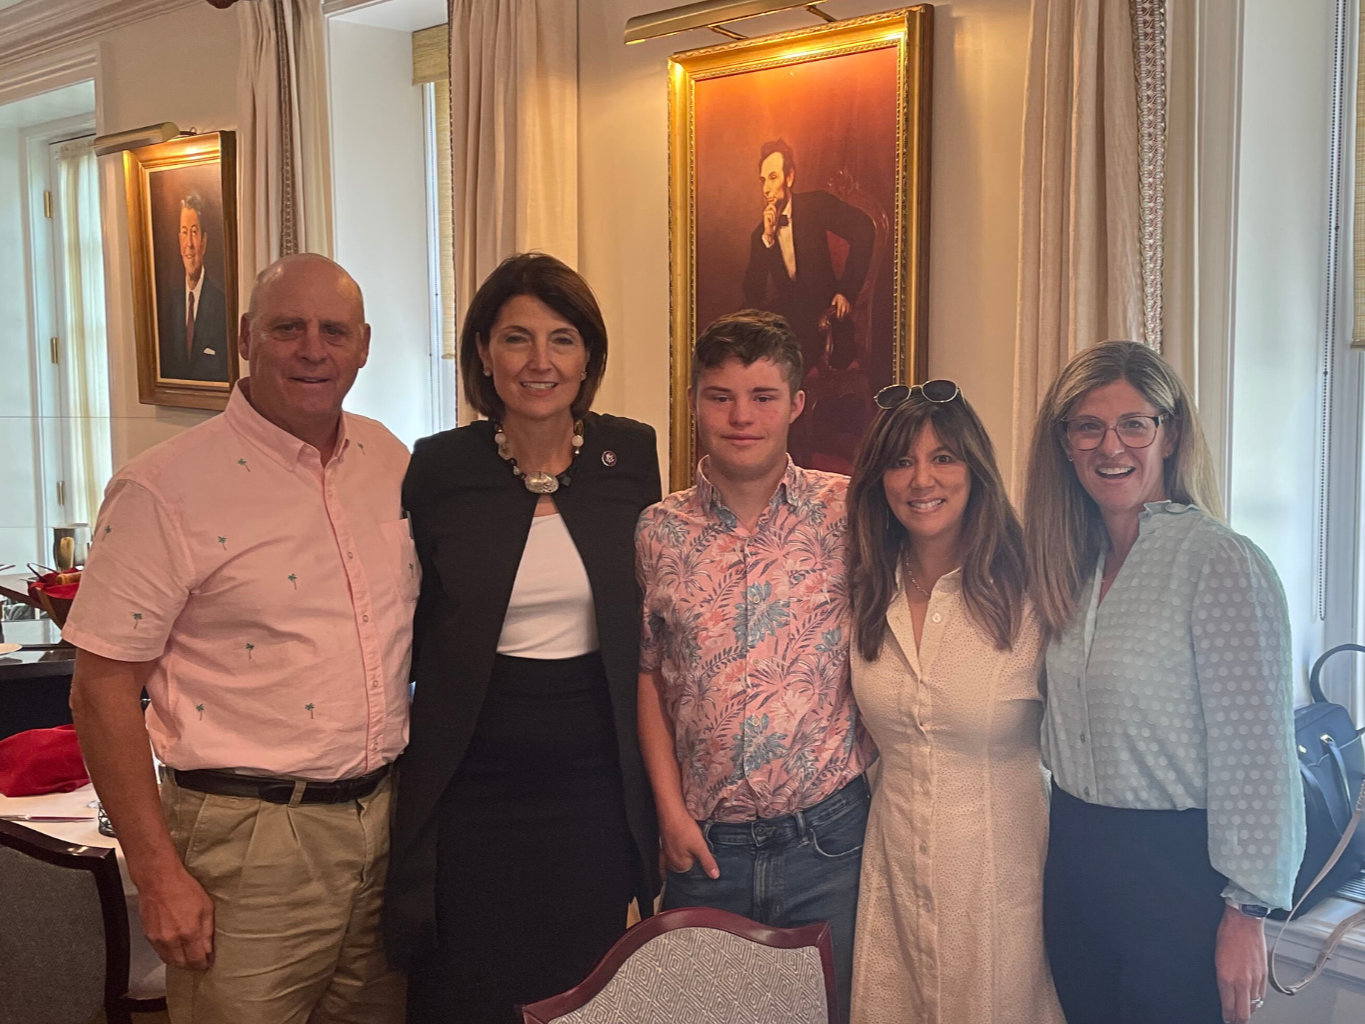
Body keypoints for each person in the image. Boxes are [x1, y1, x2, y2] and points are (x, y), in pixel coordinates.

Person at [66, 253, 412, 1024]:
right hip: (249, 843)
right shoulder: (164, 487)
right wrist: (157, 875)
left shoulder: (389, 460)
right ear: (249, 336)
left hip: (387, 824)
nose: (312, 350)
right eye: (289, 328)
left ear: (364, 345)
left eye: (334, 331)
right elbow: (101, 690)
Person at [385, 253, 661, 1023]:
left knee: (579, 991)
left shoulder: (631, 456)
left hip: (593, 792)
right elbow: (408, 619)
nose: (539, 361)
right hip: (471, 791)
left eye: (561, 339)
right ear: (482, 352)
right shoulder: (437, 468)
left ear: (589, 357)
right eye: (515, 338)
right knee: (466, 990)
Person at [1024, 340, 1305, 1024]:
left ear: (1169, 433)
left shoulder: (1220, 563)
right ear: (1063, 443)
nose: (1109, 445)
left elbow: (1258, 758)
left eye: (1133, 423)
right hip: (1073, 861)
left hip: (1178, 876)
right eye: (1086, 426)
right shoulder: (1067, 563)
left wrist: (1246, 915)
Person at [636, 309, 876, 1022]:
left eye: (763, 397)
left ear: (796, 404)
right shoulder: (657, 529)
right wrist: (668, 810)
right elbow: (649, 675)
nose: (741, 416)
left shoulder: (849, 513)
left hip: (828, 842)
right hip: (704, 847)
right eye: (720, 396)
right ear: (694, 404)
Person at [844, 381, 1064, 1024]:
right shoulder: (863, 587)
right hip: (895, 883)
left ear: (975, 469)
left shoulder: (1032, 593)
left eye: (943, 457)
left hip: (1004, 885)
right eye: (901, 461)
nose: (921, 479)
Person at [741, 140, 875, 376]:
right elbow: (753, 296)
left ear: (789, 177)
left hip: (827, 321)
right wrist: (768, 240)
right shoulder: (760, 235)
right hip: (790, 323)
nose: (766, 188)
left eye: (773, 177)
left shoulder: (816, 205)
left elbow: (864, 229)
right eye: (763, 180)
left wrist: (847, 291)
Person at [159, 193, 229, 383]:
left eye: (194, 232)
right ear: (178, 240)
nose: (189, 244)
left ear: (204, 242)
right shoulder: (170, 305)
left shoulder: (221, 304)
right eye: (184, 233)